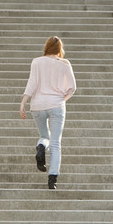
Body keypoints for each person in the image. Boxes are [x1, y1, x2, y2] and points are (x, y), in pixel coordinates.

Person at [19, 36, 76, 190]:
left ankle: (41, 147)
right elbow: (72, 88)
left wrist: (23, 102)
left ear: (46, 47)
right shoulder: (65, 64)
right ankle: (52, 179)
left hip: (37, 105)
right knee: (56, 143)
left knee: (45, 137)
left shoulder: (36, 62)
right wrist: (62, 99)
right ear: (59, 49)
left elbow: (32, 83)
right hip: (56, 105)